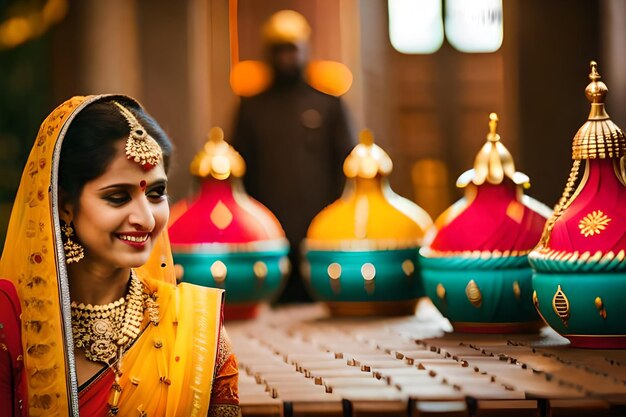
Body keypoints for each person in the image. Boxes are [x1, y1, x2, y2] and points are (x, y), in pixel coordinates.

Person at [0, 95, 240, 416]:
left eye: (155, 194)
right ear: (65, 205)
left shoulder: (197, 330)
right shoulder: (13, 322)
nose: (146, 218)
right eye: (117, 197)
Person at [231, 10, 357, 303]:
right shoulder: (251, 108)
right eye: (279, 50)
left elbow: (347, 165)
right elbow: (239, 167)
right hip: (270, 230)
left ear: (305, 49)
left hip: (319, 227)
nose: (287, 57)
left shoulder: (328, 104)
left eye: (292, 48)